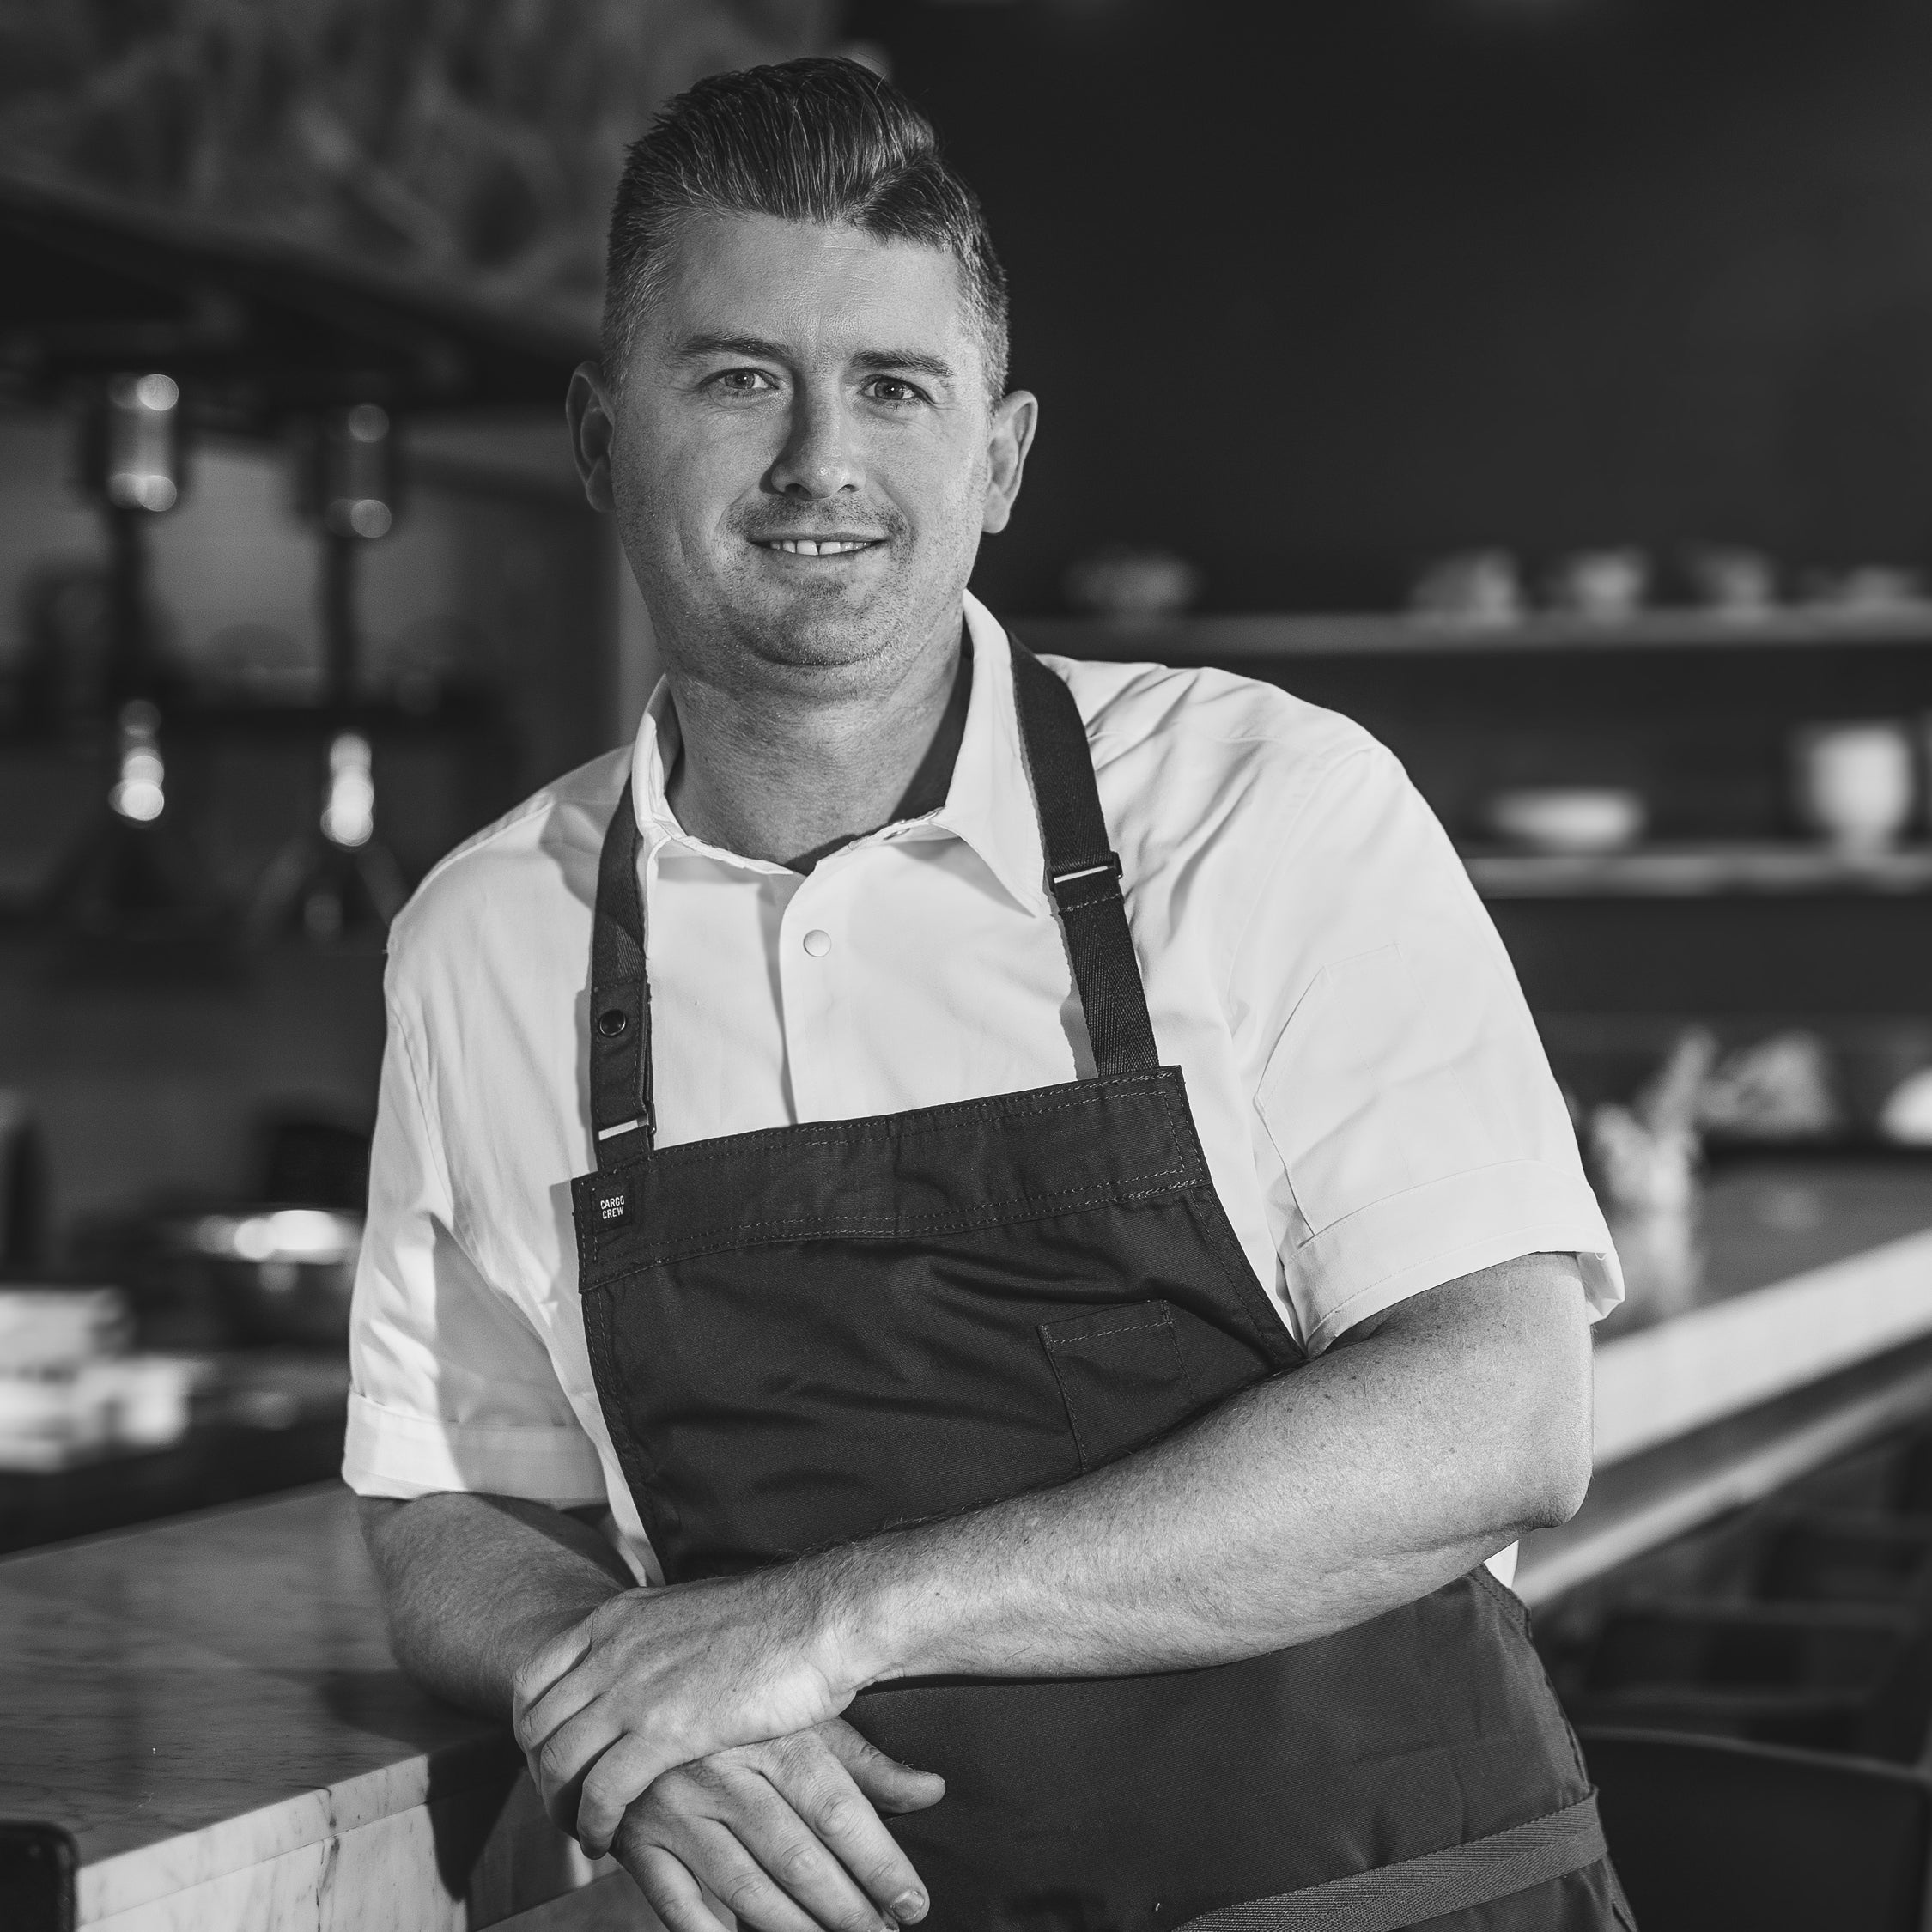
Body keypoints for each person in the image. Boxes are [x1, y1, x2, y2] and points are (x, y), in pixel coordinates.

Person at [348, 56, 1632, 1932]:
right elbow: (451, 1504)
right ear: (599, 438)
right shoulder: (485, 937)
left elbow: (1507, 1409)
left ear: (1002, 456)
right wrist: (623, 1681)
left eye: (893, 386)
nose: (819, 463)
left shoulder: (1263, 804)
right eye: (734, 379)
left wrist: (821, 1622)